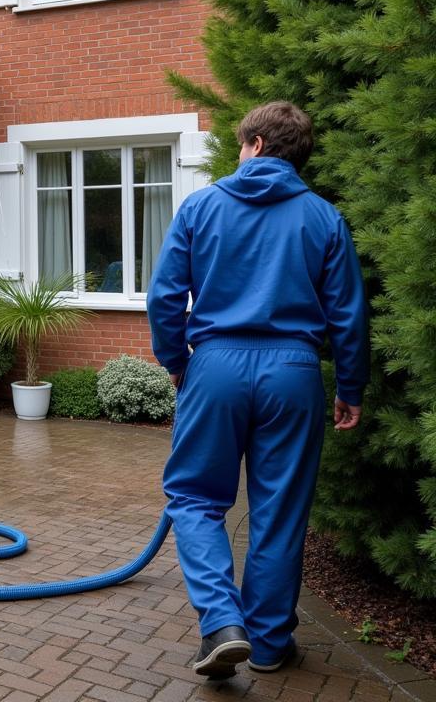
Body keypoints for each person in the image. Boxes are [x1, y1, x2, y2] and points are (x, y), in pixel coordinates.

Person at [147, 101, 368, 679]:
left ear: (258, 146)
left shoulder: (200, 207)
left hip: (215, 367)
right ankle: (268, 645)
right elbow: (347, 314)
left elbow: (165, 296)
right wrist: (351, 385)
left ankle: (222, 623)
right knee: (278, 510)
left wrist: (176, 360)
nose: (239, 153)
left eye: (242, 144)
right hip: (294, 375)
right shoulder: (325, 218)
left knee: (195, 498)